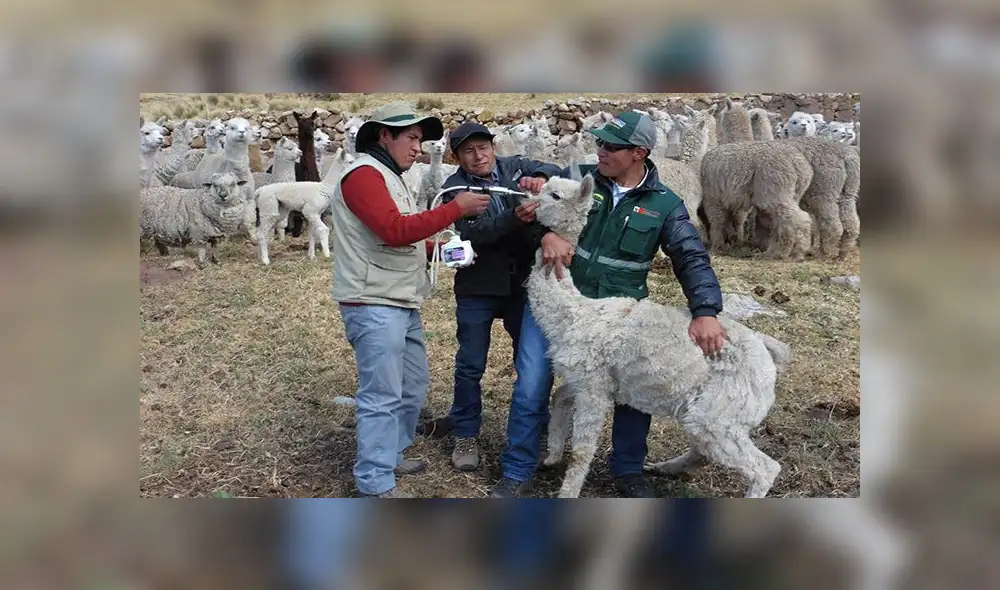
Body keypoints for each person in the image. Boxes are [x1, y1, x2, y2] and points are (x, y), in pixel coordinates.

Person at [491, 111, 724, 498]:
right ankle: (518, 467)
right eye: (599, 143)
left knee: (634, 390)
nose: (600, 151)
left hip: (619, 313)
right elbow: (534, 206)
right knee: (532, 383)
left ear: (639, 152)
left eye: (610, 146)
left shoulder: (665, 204)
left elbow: (690, 256)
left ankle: (628, 471)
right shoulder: (578, 178)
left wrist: (705, 311)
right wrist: (545, 235)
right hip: (560, 306)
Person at [330, 101, 490, 498]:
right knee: (382, 393)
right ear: (384, 135)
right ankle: (375, 481)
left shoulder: (391, 177)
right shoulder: (365, 176)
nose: (418, 147)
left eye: (421, 140)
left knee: (411, 384)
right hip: (372, 302)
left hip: (398, 299)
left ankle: (391, 452)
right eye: (412, 138)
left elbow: (403, 237)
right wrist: (455, 210)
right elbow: (394, 230)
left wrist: (444, 250)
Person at [439, 122, 565, 472]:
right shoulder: (454, 190)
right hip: (477, 287)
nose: (478, 156)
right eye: (468, 151)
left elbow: (557, 171)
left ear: (494, 147)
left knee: (534, 365)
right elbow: (473, 234)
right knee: (470, 364)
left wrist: (539, 175)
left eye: (483, 147)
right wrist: (513, 219)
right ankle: (465, 433)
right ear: (457, 156)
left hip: (522, 288)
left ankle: (535, 430)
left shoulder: (515, 168)